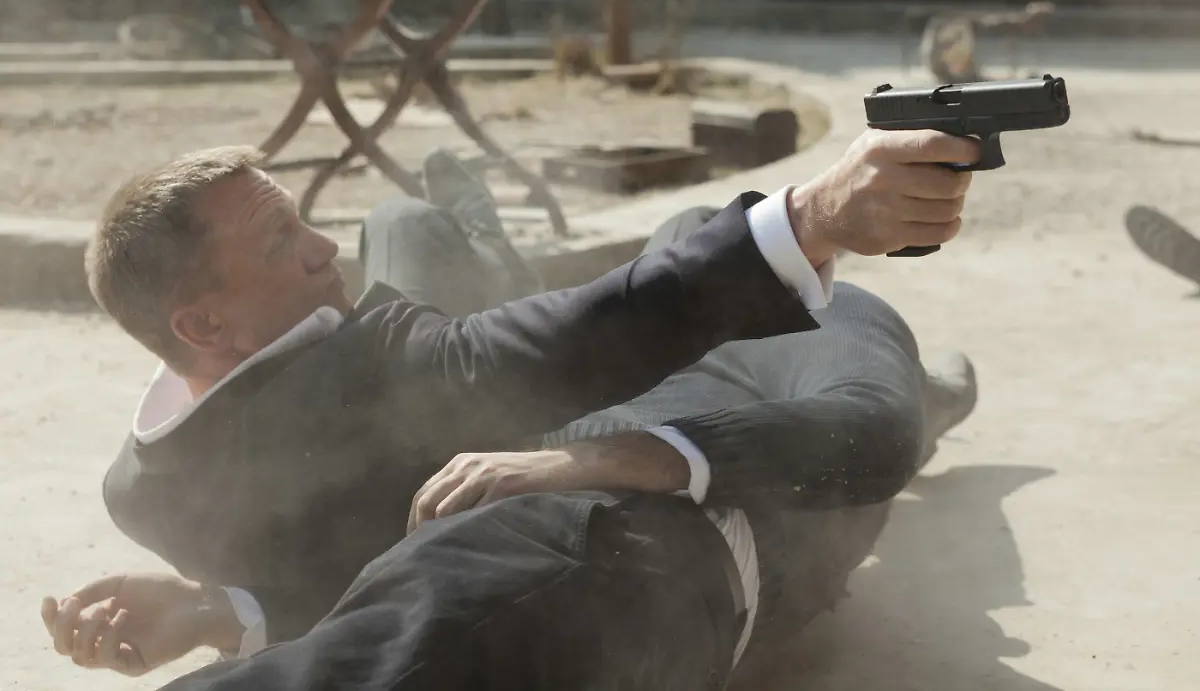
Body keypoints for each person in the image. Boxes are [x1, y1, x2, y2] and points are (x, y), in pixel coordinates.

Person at [43, 130, 981, 689]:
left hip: (654, 439)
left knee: (710, 258)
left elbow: (873, 429)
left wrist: (617, 456)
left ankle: (934, 390)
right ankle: (495, 240)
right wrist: (808, 219)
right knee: (420, 229)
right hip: (599, 464)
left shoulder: (839, 314)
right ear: (203, 324)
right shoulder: (383, 361)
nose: (323, 248)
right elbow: (386, 565)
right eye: (282, 240)